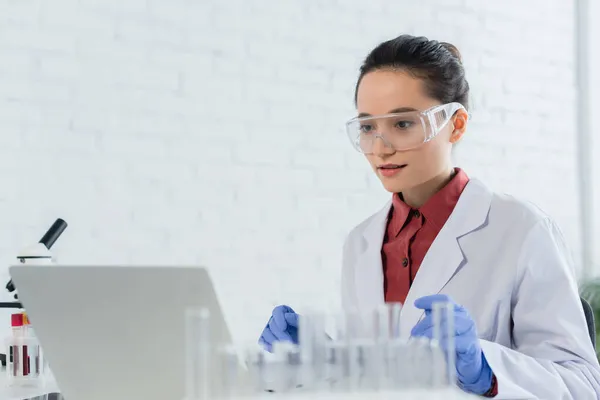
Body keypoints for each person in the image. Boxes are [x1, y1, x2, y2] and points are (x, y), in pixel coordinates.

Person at [258, 34, 600, 398]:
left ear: (456, 124)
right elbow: (379, 382)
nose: (380, 147)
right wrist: (322, 361)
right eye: (367, 126)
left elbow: (581, 383)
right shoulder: (361, 243)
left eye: (402, 124)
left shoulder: (521, 229)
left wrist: (485, 369)